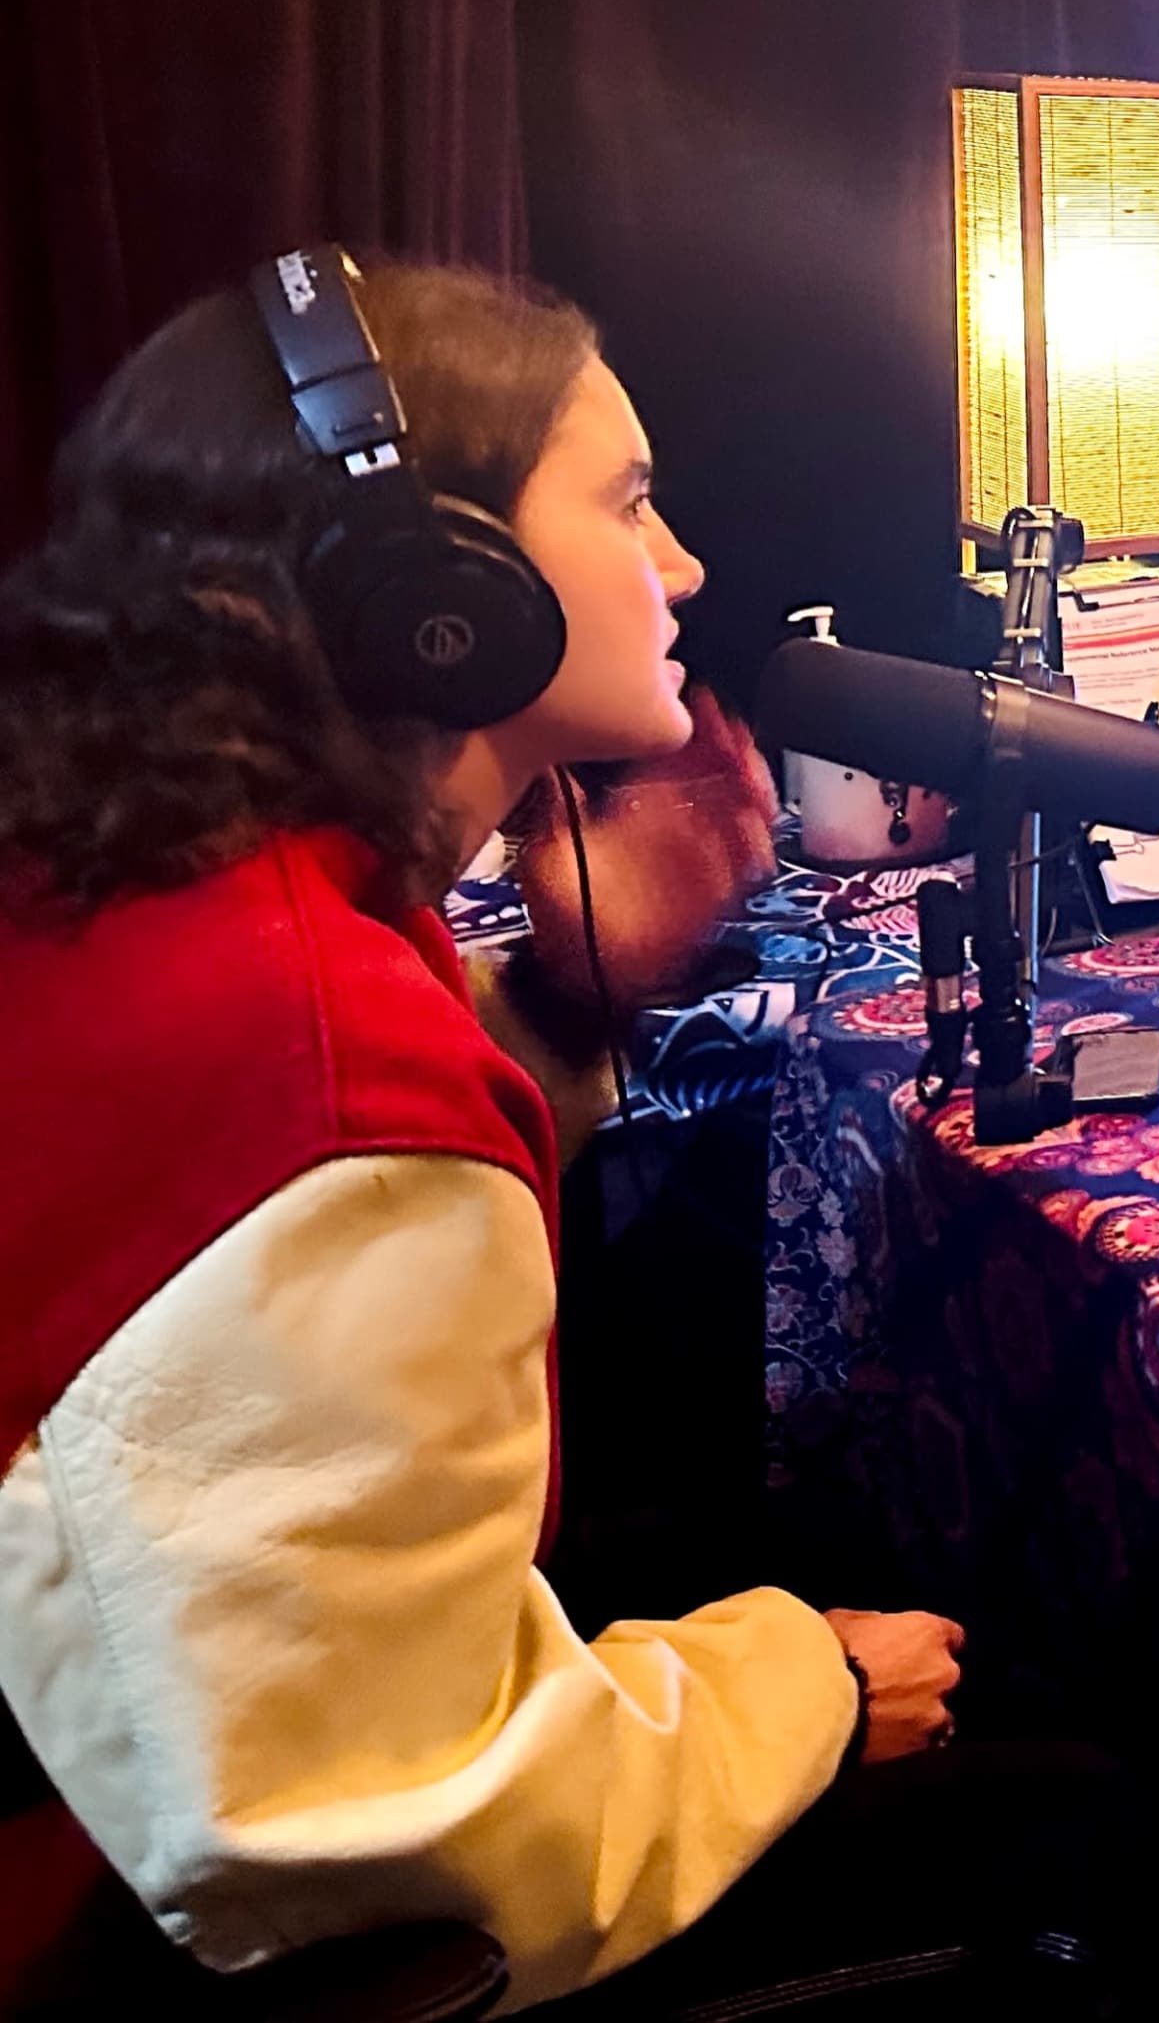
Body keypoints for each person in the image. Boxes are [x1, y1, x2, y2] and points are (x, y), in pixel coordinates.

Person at [0, 252, 996, 2007]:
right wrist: (807, 1685)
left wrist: (571, 999)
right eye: (627, 501)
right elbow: (396, 1838)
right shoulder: (327, 1076)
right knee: (1087, 1810)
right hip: (113, 1928)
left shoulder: (162, 894)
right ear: (433, 594)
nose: (682, 561)